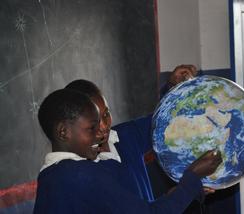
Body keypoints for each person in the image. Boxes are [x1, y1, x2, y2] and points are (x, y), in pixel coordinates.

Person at [33, 88, 222, 213]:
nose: (100, 134)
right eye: (91, 128)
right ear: (63, 132)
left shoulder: (51, 175)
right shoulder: (82, 174)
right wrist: (192, 176)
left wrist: (179, 193)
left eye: (105, 116)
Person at [64, 64, 204, 201]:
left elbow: (164, 122)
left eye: (106, 114)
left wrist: (173, 88)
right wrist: (184, 192)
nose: (103, 126)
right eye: (94, 122)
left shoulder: (125, 136)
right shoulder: (84, 173)